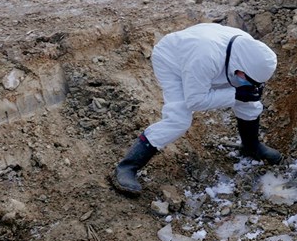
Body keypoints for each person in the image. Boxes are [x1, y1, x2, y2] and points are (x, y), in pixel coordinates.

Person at [113, 23, 282, 196]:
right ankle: (127, 167)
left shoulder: (249, 51)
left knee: (249, 101)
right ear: (240, 68)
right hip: (173, 62)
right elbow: (195, 101)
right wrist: (236, 94)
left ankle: (251, 146)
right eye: (249, 80)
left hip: (209, 61)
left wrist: (245, 92)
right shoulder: (205, 58)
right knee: (179, 120)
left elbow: (243, 88)